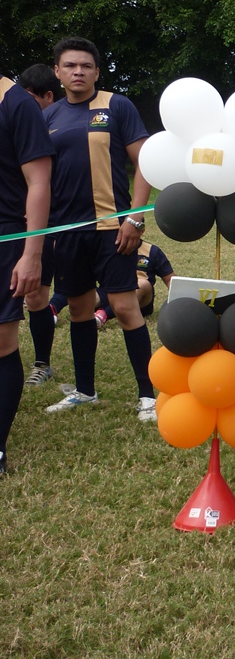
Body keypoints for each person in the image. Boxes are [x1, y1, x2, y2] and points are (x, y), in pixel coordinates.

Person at [42, 37, 155, 422]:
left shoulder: (116, 105)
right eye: (70, 65)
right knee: (78, 308)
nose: (78, 72)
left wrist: (135, 218)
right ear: (57, 71)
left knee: (124, 307)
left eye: (86, 66)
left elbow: (146, 163)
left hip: (113, 228)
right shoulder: (49, 117)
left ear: (97, 72)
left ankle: (148, 396)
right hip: (67, 231)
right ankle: (85, 391)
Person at [0, 75, 53, 474]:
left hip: (6, 237)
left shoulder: (16, 103)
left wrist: (31, 254)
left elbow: (39, 182)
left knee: (2, 344)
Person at [17, 66, 62, 387]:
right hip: (12, 220)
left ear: (48, 97)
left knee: (35, 296)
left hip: (49, 224)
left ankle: (42, 363)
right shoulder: (14, 122)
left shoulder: (58, 128)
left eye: (31, 99)